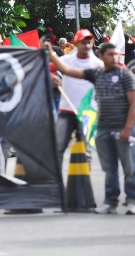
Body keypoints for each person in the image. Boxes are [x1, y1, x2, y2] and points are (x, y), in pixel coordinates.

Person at [50, 42, 135, 214]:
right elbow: (68, 71)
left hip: (122, 127)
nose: (115, 57)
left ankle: (132, 199)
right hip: (102, 128)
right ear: (102, 57)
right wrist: (51, 54)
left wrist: (128, 128)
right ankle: (110, 201)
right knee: (109, 167)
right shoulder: (96, 73)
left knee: (129, 167)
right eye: (110, 54)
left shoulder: (125, 75)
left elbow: (133, 102)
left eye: (116, 54)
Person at [53, 29, 103, 170]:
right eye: (83, 43)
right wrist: (52, 76)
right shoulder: (67, 60)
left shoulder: (98, 64)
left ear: (93, 43)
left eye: (89, 42)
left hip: (86, 113)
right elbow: (47, 67)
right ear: (76, 43)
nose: (86, 46)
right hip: (66, 111)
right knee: (57, 149)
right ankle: (56, 188)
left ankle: (84, 186)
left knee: (85, 152)